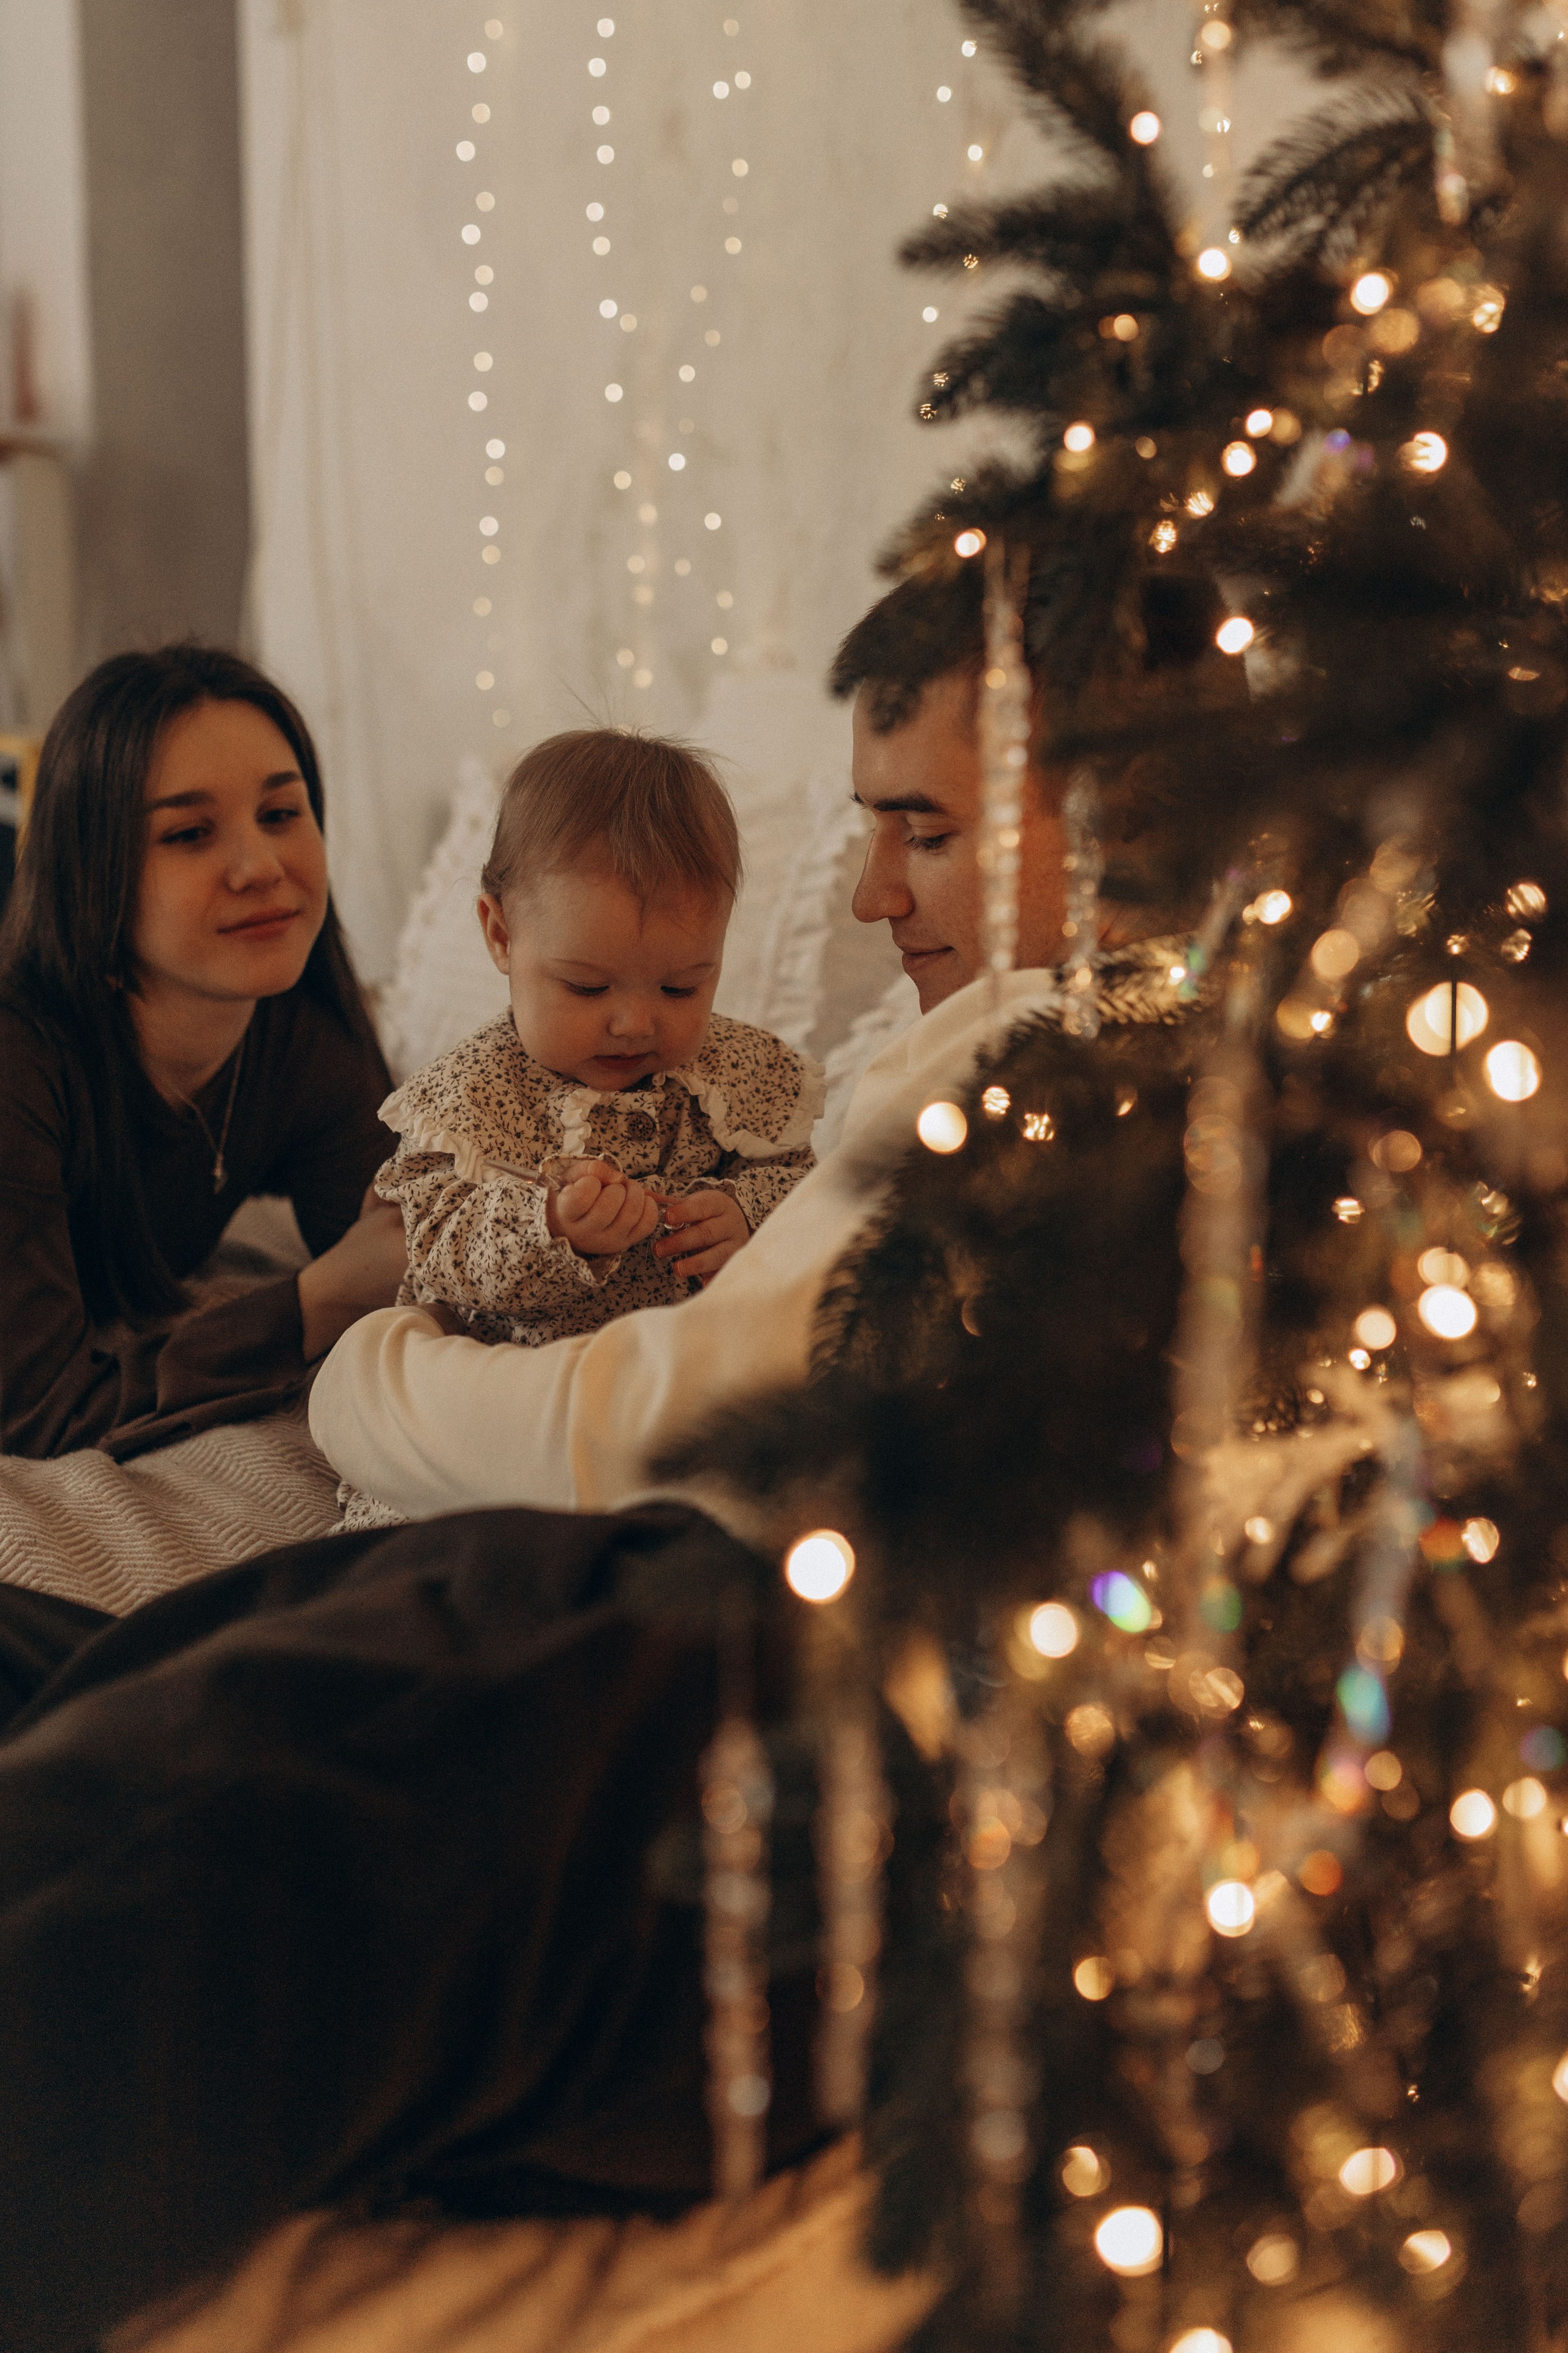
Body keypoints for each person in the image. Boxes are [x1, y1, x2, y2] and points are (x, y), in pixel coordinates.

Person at [309, 577, 1181, 1526]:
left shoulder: (1041, 1072)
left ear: (1128, 822)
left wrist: (365, 1374)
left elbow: (675, 1424)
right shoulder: (476, 1092)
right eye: (873, 830)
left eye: (926, 834)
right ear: (499, 936)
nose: (871, 897)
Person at [339, 728, 820, 1524]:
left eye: (680, 987)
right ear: (501, 935)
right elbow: (439, 1251)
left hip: (674, 1387)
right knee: (432, 1478)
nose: (634, 1023)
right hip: (516, 1392)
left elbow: (810, 1191)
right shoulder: (470, 1098)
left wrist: (747, 1216)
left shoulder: (731, 1078)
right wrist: (552, 1226)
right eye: (587, 988)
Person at [0, 646, 408, 1460]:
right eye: (189, 833)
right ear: (94, 874)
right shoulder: (20, 1063)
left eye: (281, 814)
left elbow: (399, 1260)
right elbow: (40, 1412)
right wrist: (312, 1304)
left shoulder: (301, 1034)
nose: (261, 867)